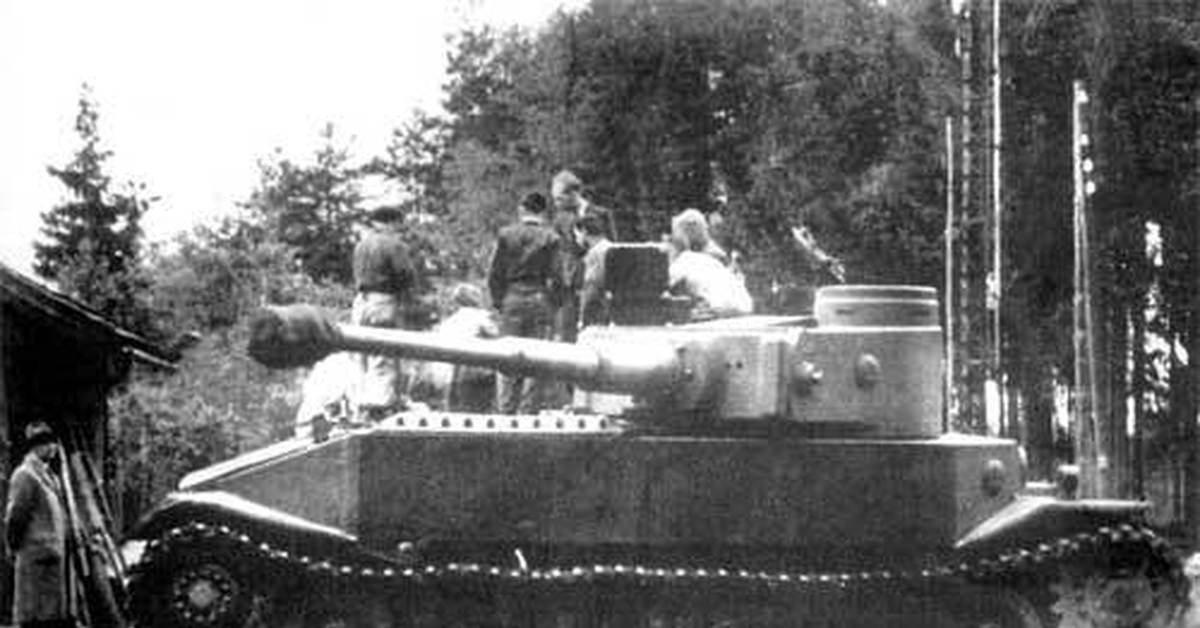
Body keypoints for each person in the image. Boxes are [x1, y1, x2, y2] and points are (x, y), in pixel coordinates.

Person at [488, 192, 561, 413]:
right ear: (544, 212)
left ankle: (506, 410)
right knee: (537, 358)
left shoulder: (506, 234)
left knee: (507, 356)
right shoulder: (551, 238)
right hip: (539, 297)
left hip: (512, 297)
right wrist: (553, 304)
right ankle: (528, 412)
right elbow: (558, 276)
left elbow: (494, 273)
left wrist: (499, 301)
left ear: (522, 209)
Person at [351, 205, 422, 421]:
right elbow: (405, 275)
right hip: (383, 300)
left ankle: (359, 405)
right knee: (384, 354)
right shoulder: (393, 244)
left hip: (361, 302)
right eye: (398, 225)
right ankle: (379, 408)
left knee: (361, 356)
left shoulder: (362, 245)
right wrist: (411, 301)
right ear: (391, 223)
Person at [5, 422, 75, 628]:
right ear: (35, 446)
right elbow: (16, 517)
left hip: (52, 559)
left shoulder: (50, 476)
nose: (53, 447)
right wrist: (13, 545)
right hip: (35, 560)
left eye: (53, 443)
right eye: (46, 443)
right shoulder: (25, 475)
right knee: (33, 618)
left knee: (52, 618)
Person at [549, 170, 617, 342]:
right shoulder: (559, 219)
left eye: (559, 199)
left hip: (597, 286)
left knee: (597, 333)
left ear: (574, 194)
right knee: (568, 335)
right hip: (572, 285)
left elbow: (612, 248)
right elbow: (559, 253)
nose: (556, 204)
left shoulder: (602, 214)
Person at [668, 209, 753, 320]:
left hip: (717, 311)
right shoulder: (716, 261)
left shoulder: (684, 260)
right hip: (742, 308)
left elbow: (666, 285)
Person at [436, 283, 500, 412]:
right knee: (479, 410)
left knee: (456, 411)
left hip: (451, 375)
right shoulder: (482, 317)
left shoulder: (449, 322)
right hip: (478, 372)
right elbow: (497, 337)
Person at [576, 213, 614, 328]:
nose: (576, 238)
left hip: (598, 311)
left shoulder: (594, 253)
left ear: (584, 232)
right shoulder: (612, 248)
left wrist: (582, 317)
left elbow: (591, 286)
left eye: (577, 233)